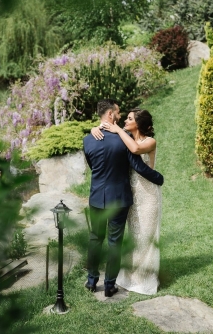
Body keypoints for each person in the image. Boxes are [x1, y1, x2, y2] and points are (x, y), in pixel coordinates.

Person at [83, 100, 164, 297]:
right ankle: (109, 285)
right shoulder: (124, 140)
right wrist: (158, 178)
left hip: (96, 197)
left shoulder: (88, 140)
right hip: (119, 198)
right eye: (118, 113)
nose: (120, 117)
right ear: (110, 114)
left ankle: (91, 281)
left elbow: (93, 167)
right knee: (114, 242)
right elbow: (137, 166)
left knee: (95, 239)